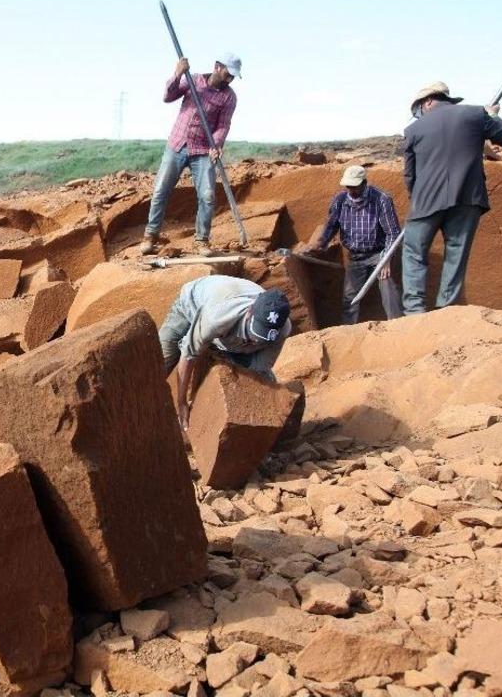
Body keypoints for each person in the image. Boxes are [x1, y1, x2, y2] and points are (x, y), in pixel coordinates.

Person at [401, 81, 502, 313]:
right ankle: (447, 309)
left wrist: (417, 200)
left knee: (414, 253)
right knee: (456, 254)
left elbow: (409, 174)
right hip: (467, 199)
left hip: (425, 202)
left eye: (420, 107)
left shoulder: (414, 130)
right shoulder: (475, 114)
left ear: (428, 101)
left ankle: (414, 312)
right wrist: (492, 117)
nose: (420, 113)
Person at [158, 275, 291, 430]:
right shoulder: (218, 317)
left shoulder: (283, 329)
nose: (257, 341)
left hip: (228, 337)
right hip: (191, 304)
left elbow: (259, 367)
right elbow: (189, 354)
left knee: (263, 381)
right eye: (256, 332)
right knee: (158, 366)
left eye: (264, 337)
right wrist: (181, 402)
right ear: (249, 313)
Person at [140, 53, 241, 256]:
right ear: (217, 67)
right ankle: (150, 236)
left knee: (208, 196)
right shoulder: (193, 80)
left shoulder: (229, 97)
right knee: (161, 190)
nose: (230, 79)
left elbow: (223, 125)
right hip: (177, 144)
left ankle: (201, 240)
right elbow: (168, 97)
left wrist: (217, 144)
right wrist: (176, 75)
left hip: (203, 150)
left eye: (233, 76)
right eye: (228, 74)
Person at [303, 165, 403, 324]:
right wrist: (320, 243)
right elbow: (331, 225)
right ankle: (348, 331)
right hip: (355, 257)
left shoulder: (381, 199)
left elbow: (393, 233)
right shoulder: (340, 200)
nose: (351, 191)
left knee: (388, 288)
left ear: (364, 183)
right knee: (350, 297)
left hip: (379, 254)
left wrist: (386, 260)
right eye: (348, 186)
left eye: (355, 187)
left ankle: (398, 326)